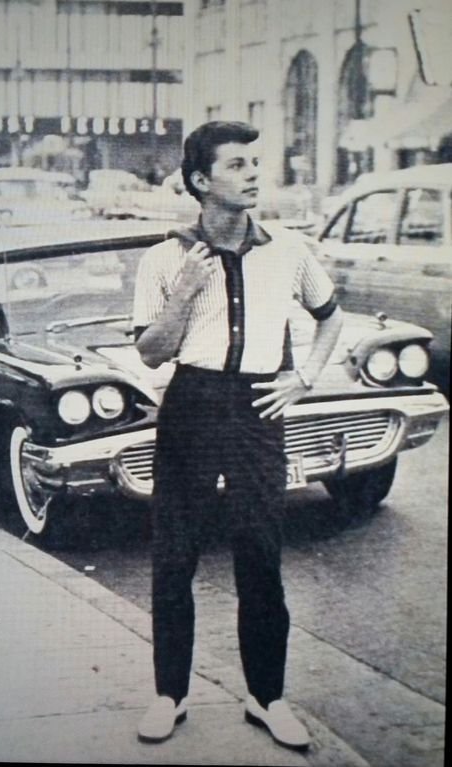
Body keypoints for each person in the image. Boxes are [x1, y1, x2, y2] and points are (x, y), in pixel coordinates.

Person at [133, 121, 343, 749]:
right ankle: (169, 695)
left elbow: (332, 317)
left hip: (258, 407)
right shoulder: (165, 257)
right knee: (175, 555)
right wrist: (187, 293)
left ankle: (267, 698)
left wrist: (302, 378)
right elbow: (150, 352)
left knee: (260, 551)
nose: (254, 173)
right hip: (193, 403)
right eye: (237, 165)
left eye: (256, 163)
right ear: (200, 182)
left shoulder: (290, 248)